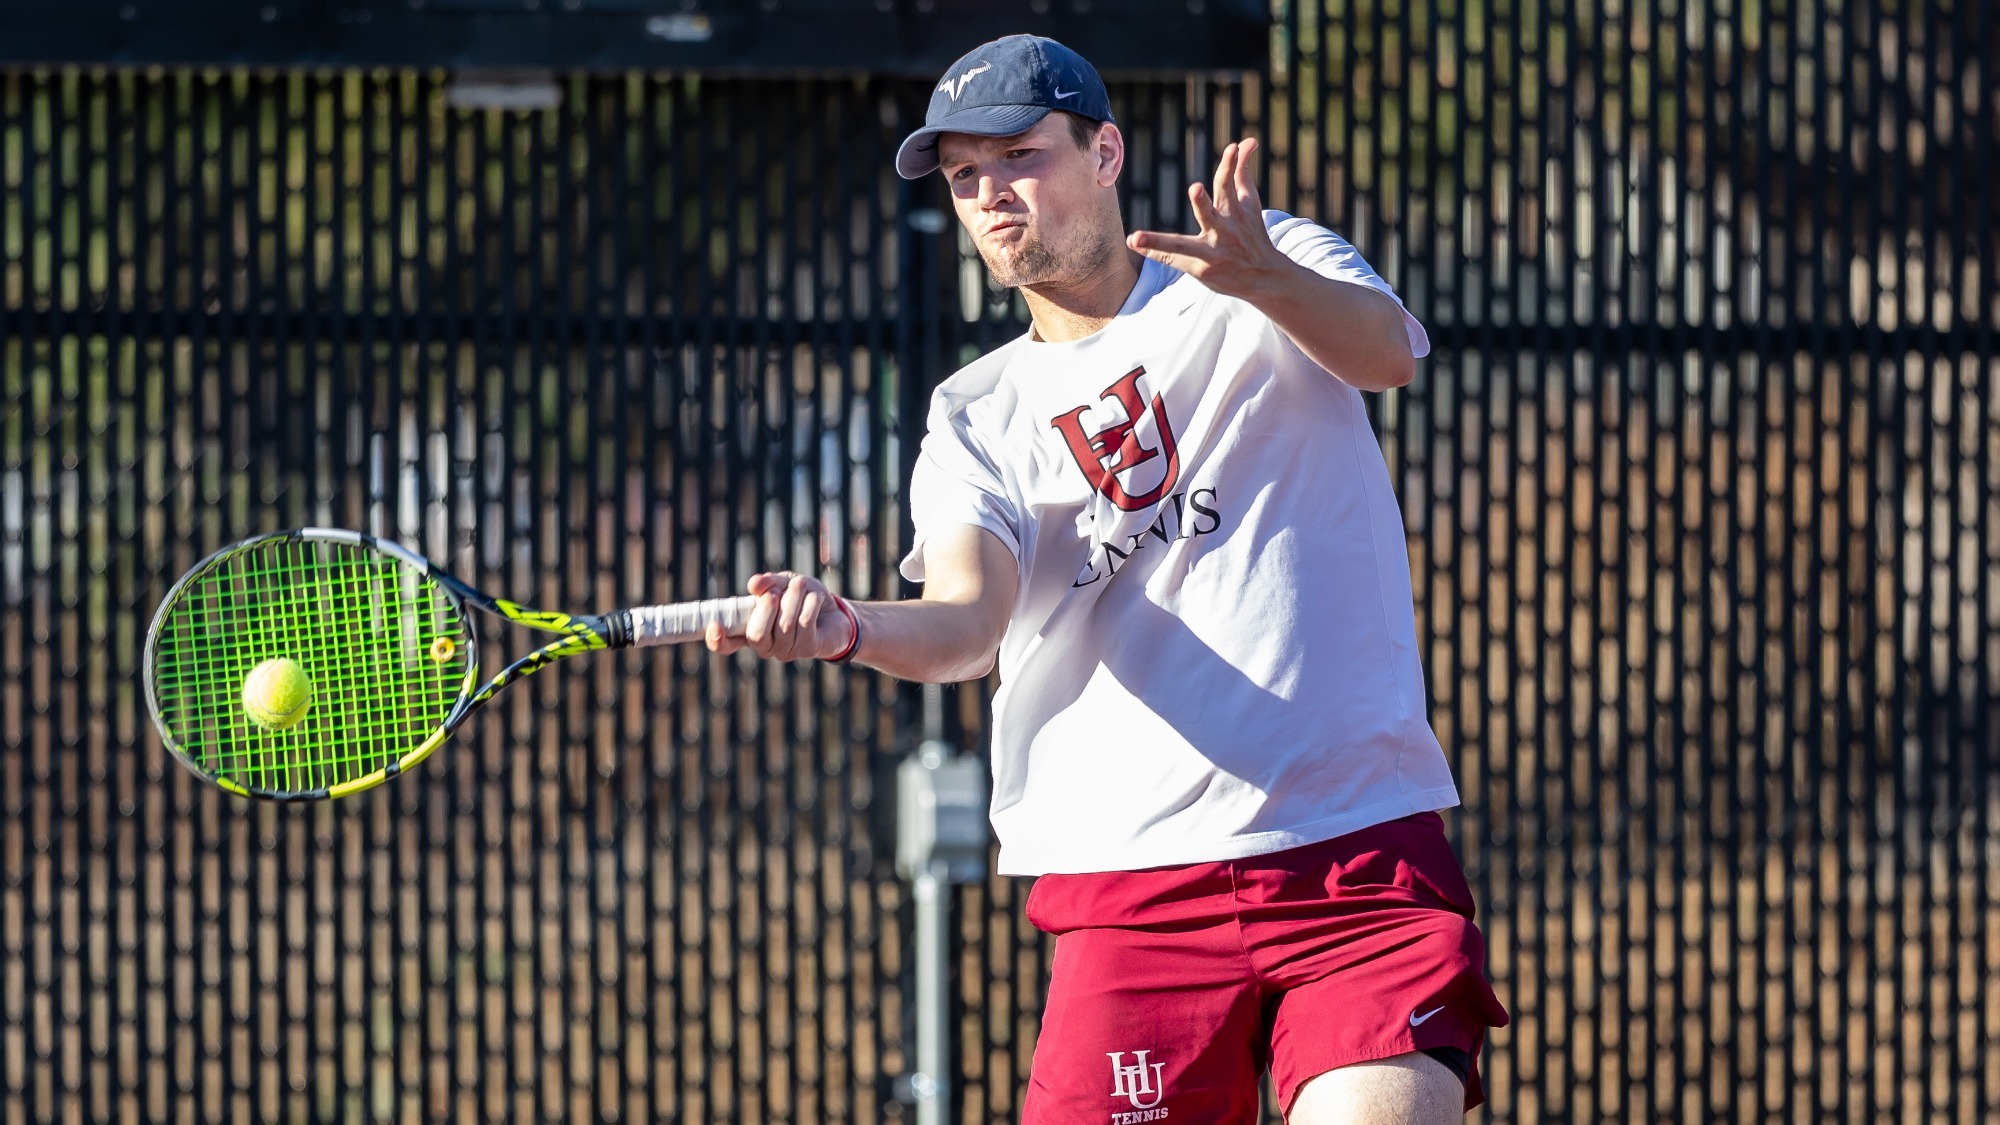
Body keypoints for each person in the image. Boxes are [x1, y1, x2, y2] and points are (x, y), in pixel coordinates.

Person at [706, 33, 1509, 1125]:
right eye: (964, 176)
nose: (991, 195)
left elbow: (1386, 356)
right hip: (1129, 898)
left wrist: (1265, 282)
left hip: (1351, 860)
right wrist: (842, 626)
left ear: (1104, 152)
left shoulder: (1257, 259)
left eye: (1019, 156)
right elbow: (965, 625)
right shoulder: (972, 414)